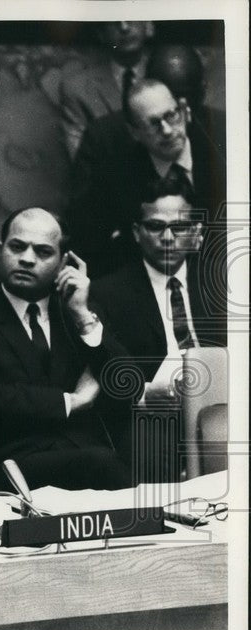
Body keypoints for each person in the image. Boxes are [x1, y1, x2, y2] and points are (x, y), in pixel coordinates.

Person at [0, 207, 130, 490]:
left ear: (64, 263)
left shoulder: (76, 311)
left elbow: (127, 386)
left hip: (84, 452)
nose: (27, 259)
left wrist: (83, 318)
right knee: (104, 464)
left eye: (42, 252)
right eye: (17, 247)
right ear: (0, 250)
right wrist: (71, 402)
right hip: (12, 460)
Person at [92, 177, 226, 481]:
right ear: (137, 233)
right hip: (152, 414)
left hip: (219, 400)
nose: (167, 237)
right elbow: (107, 368)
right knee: (148, 451)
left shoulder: (221, 283)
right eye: (155, 226)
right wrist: (142, 395)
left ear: (195, 233)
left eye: (178, 228)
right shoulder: (108, 293)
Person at [68, 75, 226, 277]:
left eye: (171, 116)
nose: (167, 131)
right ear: (135, 133)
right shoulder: (117, 176)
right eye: (154, 124)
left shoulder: (224, 151)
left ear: (184, 112)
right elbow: (94, 248)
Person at [59, 21, 154, 159]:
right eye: (113, 21)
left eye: (131, 16)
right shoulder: (77, 89)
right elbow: (83, 165)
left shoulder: (172, 72)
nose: (124, 27)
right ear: (101, 33)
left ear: (149, 25)